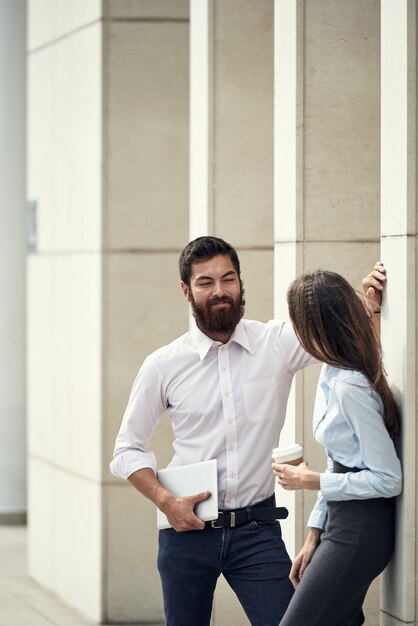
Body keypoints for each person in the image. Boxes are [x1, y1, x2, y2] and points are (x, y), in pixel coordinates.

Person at [110, 236, 385, 626]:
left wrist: (370, 306)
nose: (220, 291)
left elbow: (347, 346)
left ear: (241, 283)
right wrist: (166, 502)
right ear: (186, 290)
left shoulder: (277, 343)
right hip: (186, 532)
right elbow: (127, 451)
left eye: (228, 279)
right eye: (205, 282)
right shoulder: (162, 365)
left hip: (258, 531)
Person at [273, 269, 402, 626]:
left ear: (316, 327)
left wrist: (311, 481)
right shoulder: (332, 371)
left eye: (298, 322)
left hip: (362, 528)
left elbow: (389, 479)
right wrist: (314, 532)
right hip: (341, 521)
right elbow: (339, 461)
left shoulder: (351, 388)